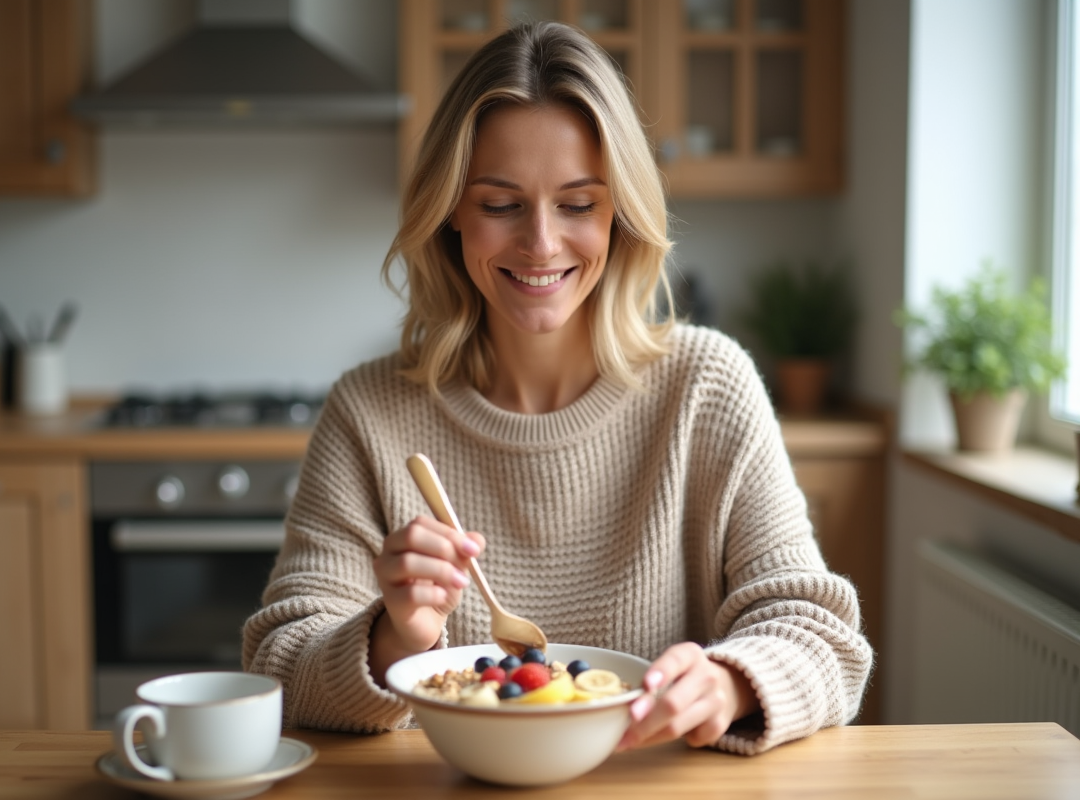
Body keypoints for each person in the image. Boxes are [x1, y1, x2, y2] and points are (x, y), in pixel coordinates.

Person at [243, 21, 872, 755]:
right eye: (500, 203)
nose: (540, 243)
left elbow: (823, 639)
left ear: (619, 214)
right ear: (450, 212)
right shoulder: (368, 412)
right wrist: (393, 636)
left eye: (577, 203)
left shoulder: (708, 387)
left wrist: (730, 681)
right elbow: (277, 664)